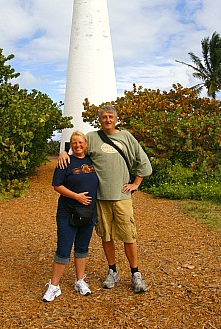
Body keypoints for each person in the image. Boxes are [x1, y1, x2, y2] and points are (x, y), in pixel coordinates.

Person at [58, 105, 152, 294]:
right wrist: (63, 152)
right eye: (104, 117)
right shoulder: (92, 138)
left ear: (116, 119)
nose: (107, 120)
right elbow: (78, 150)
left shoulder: (126, 137)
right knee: (106, 235)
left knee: (128, 235)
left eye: (111, 117)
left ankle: (135, 273)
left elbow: (143, 162)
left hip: (122, 197)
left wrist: (136, 183)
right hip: (99, 198)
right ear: (99, 120)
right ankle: (113, 270)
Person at [43, 131, 98, 302]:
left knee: (82, 248)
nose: (78, 145)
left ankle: (80, 281)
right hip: (68, 211)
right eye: (74, 143)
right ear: (70, 145)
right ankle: (54, 286)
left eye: (81, 142)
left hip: (88, 212)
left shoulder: (92, 160)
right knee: (63, 249)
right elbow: (57, 185)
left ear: (86, 144)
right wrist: (76, 196)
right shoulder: (64, 161)